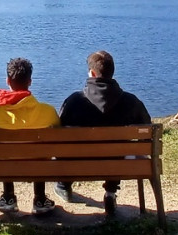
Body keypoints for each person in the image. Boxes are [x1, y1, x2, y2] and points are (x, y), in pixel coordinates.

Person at [56, 50, 152, 215]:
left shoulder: (74, 101)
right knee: (118, 150)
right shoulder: (131, 102)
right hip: (117, 163)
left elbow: (59, 135)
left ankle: (64, 185)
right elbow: (147, 129)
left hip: (78, 163)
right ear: (112, 73)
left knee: (67, 147)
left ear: (92, 73)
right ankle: (110, 192)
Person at [0, 57, 60, 215]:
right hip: (39, 168)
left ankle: (9, 197)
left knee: (3, 153)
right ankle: (40, 199)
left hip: (4, 167)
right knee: (40, 154)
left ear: (7, 81)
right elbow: (59, 132)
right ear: (30, 81)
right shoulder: (48, 112)